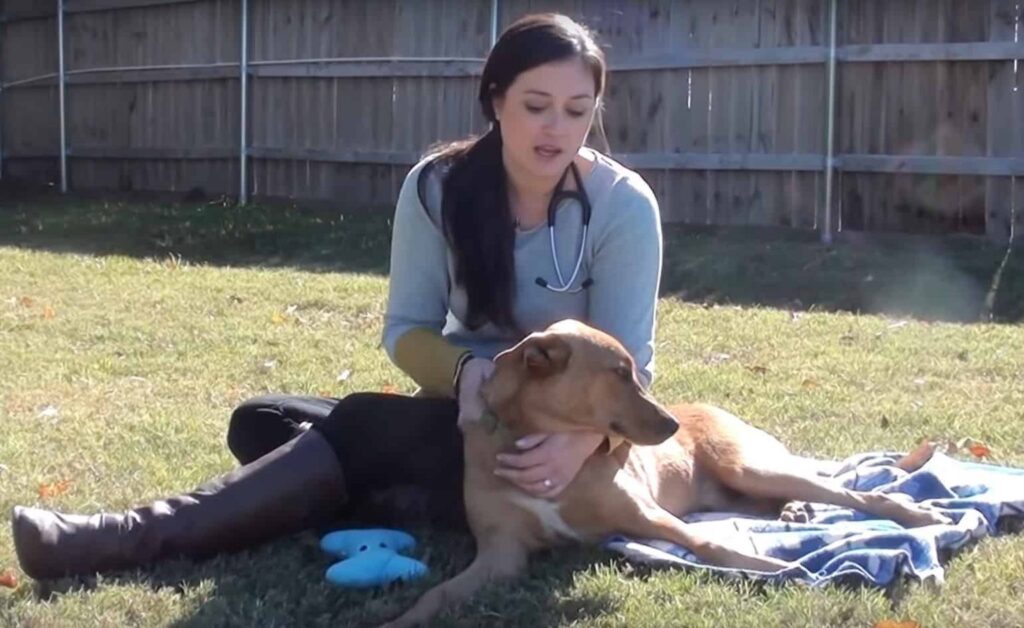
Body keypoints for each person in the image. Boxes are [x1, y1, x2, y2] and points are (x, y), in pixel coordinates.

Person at [10, 12, 664, 580]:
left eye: (577, 111)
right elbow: (406, 328)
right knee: (261, 420)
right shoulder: (438, 188)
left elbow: (630, 364)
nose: (556, 127)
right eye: (536, 104)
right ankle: (418, 497)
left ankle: (128, 535)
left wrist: (583, 444)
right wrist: (464, 373)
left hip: (556, 437)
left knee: (354, 426)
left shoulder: (620, 206)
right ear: (495, 100)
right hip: (460, 416)